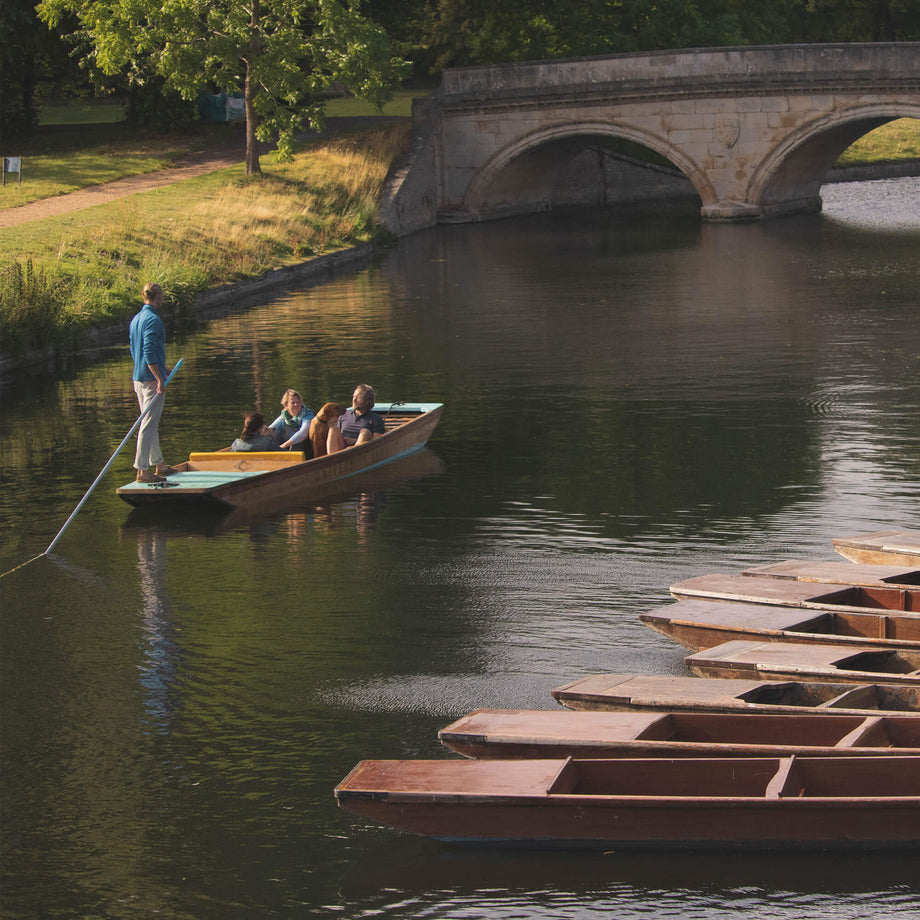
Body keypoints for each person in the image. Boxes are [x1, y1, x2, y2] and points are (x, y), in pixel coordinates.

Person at [129, 282, 176, 483]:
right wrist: (159, 378)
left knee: (150, 423)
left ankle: (159, 464)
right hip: (150, 381)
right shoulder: (153, 320)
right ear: (158, 298)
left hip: (138, 378)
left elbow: (135, 350)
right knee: (147, 425)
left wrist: (161, 367)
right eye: (162, 298)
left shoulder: (136, 319)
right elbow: (148, 353)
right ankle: (141, 470)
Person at [327, 384, 386, 454]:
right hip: (343, 448)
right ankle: (331, 459)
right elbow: (339, 436)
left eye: (358, 398)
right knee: (333, 430)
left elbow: (377, 444)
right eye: (353, 397)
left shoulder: (376, 419)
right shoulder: (344, 415)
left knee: (365, 432)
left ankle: (352, 456)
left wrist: (353, 443)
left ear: (368, 401)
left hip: (362, 451)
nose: (354, 400)